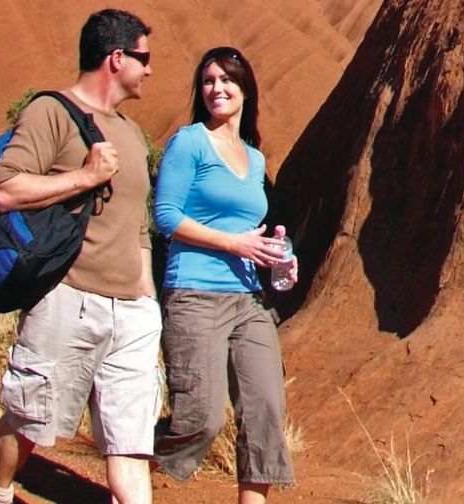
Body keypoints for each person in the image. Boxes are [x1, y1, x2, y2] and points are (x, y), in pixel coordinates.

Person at [0, 9, 160, 504]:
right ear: (116, 58)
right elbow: (5, 189)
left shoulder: (131, 133)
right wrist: (84, 177)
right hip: (68, 298)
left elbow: (137, 222)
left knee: (130, 443)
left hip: (132, 313)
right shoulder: (51, 112)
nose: (149, 70)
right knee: (29, 421)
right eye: (143, 59)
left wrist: (146, 294)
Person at [152, 46, 296, 504]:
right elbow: (166, 216)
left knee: (265, 412)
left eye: (227, 80)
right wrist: (233, 244)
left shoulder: (254, 160)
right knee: (201, 418)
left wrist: (280, 257)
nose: (217, 88)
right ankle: (130, 454)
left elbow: (254, 230)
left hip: (249, 300)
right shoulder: (190, 141)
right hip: (194, 294)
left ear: (245, 90)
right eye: (209, 81)